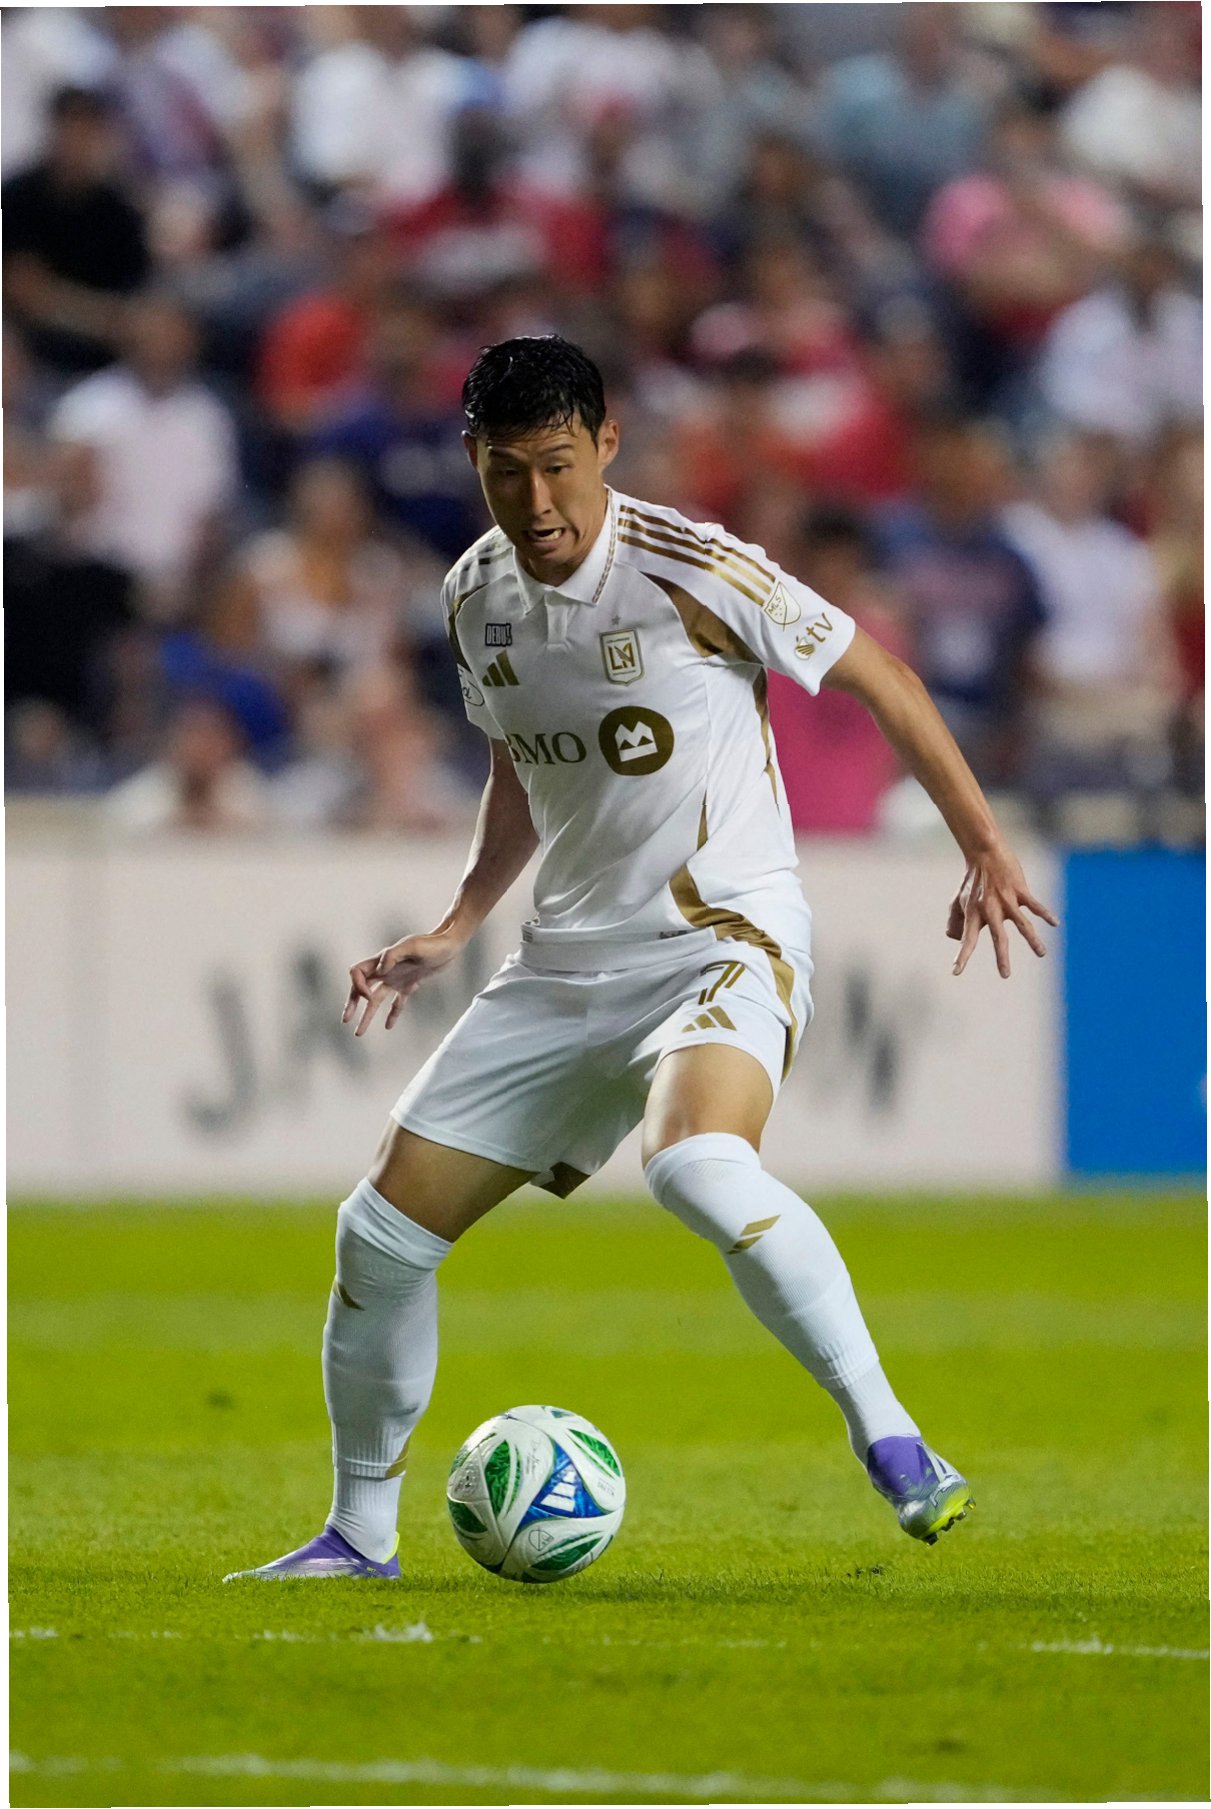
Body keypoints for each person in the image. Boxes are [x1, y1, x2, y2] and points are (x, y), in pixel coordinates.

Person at [226, 335, 1056, 1582]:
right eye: (508, 471)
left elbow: (879, 677)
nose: (538, 501)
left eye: (559, 464)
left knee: (695, 1165)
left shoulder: (691, 567)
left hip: (720, 934)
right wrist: (459, 919)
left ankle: (891, 1436)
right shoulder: (471, 596)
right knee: (379, 1236)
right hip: (567, 961)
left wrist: (982, 846)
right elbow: (521, 767)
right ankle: (359, 1534)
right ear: (473, 460)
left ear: (606, 444)